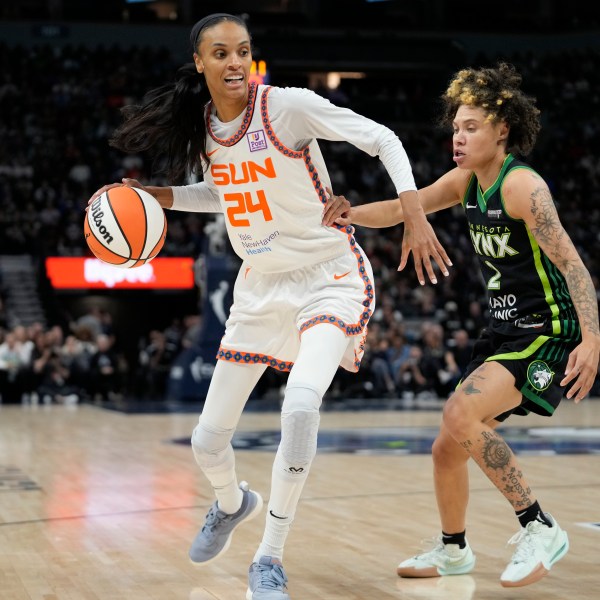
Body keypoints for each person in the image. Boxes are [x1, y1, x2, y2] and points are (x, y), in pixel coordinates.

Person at [88, 13, 451, 599]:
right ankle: (233, 505)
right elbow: (223, 194)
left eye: (244, 51)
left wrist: (412, 210)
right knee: (208, 441)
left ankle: (269, 558)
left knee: (300, 406)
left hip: (328, 276)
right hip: (259, 285)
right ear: (200, 62)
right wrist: (162, 197)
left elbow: (383, 137)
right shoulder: (204, 126)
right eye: (222, 53)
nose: (235, 63)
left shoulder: (287, 107)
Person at [335, 62, 600, 588]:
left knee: (460, 412)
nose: (458, 137)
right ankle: (454, 549)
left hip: (547, 332)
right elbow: (403, 208)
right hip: (505, 333)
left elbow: (572, 264)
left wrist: (592, 337)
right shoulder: (465, 183)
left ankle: (539, 526)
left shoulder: (522, 186)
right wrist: (346, 212)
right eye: (456, 127)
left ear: (502, 130)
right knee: (445, 447)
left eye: (471, 127)